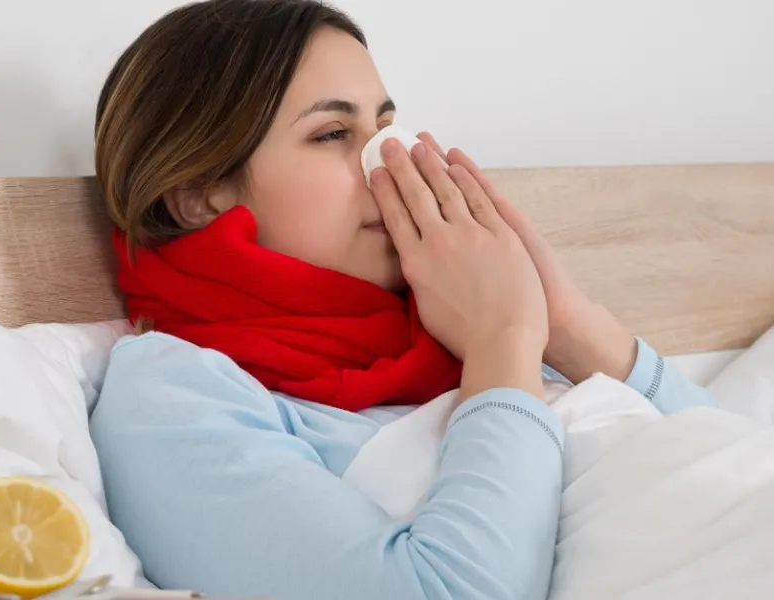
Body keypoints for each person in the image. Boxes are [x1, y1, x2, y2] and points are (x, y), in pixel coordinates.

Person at [88, 1, 715, 598]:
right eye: (333, 132)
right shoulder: (173, 398)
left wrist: (569, 326)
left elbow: (740, 458)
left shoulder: (453, 320)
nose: (387, 163)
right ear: (197, 194)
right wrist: (505, 340)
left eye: (386, 128)